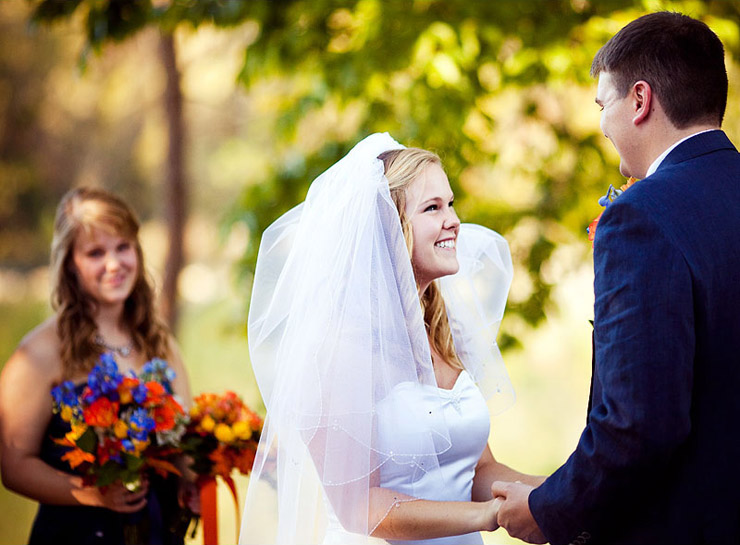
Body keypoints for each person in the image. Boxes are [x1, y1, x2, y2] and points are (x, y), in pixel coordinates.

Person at [493, 11, 740, 545]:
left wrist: (550, 511)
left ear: (640, 100)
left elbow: (640, 424)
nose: (602, 124)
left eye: (603, 105)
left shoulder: (642, 216)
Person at [239, 133, 544, 545]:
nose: (453, 220)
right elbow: (359, 508)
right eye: (432, 208)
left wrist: (559, 493)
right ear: (391, 227)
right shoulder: (342, 351)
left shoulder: (441, 329)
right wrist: (487, 515)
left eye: (450, 204)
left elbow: (476, 469)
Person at [0, 187, 198, 545]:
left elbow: (181, 438)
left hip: (158, 531)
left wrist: (190, 479)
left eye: (123, 247)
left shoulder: (159, 341)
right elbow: (14, 466)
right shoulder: (38, 353)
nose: (114, 264)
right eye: (95, 253)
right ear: (70, 265)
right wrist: (94, 493)